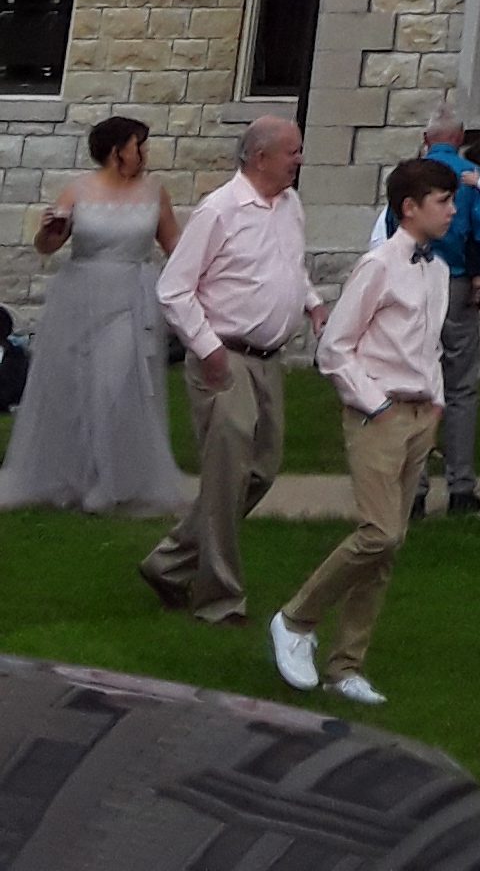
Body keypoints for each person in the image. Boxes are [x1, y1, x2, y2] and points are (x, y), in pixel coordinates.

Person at [269, 158, 458, 708]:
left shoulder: (437, 270)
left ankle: (346, 667)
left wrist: (437, 401)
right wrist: (375, 404)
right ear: (410, 207)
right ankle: (295, 619)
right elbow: (335, 348)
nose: (452, 210)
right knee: (379, 533)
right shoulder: (378, 266)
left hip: (420, 416)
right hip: (379, 414)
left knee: (387, 550)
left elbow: (429, 346)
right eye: (443, 201)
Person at [141, 117, 328, 625]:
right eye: (292, 151)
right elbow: (174, 288)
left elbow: (288, 267)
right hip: (223, 359)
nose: (299, 160)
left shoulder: (289, 205)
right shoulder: (219, 210)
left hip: (268, 360)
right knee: (227, 478)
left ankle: (168, 563)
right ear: (259, 157)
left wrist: (311, 302)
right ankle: (219, 600)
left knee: (261, 471)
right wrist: (207, 349)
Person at [0, 113, 184, 514]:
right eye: (139, 145)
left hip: (130, 298)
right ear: (118, 151)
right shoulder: (79, 190)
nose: (145, 153)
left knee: (113, 384)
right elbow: (48, 245)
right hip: (81, 296)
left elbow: (176, 246)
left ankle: (110, 480)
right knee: (77, 387)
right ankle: (75, 475)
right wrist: (49, 230)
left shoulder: (154, 193)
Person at [369, 111, 480, 522]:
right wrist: (478, 268)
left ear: (425, 137)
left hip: (413, 280)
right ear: (460, 137)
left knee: (415, 385)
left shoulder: (409, 179)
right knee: (460, 387)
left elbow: (392, 230)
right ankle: (461, 488)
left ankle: (414, 490)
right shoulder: (472, 179)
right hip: (458, 284)